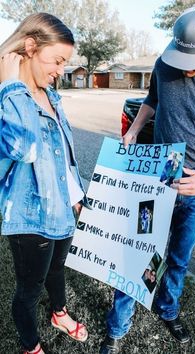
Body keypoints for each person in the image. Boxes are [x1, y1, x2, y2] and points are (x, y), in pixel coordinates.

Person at [99, 4, 195, 353]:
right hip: (154, 185)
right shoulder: (165, 65)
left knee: (178, 258)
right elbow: (151, 101)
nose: (183, 70)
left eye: (193, 62)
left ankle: (167, 308)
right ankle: (118, 325)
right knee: (139, 253)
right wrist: (135, 130)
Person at [0, 13, 90, 354]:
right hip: (31, 216)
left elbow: (62, 152)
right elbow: (25, 148)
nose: (61, 70)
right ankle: (30, 344)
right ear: (30, 47)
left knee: (57, 270)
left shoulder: (50, 94)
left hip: (63, 207)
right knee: (29, 288)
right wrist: (11, 85)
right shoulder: (6, 97)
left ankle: (59, 313)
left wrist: (76, 194)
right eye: (58, 60)